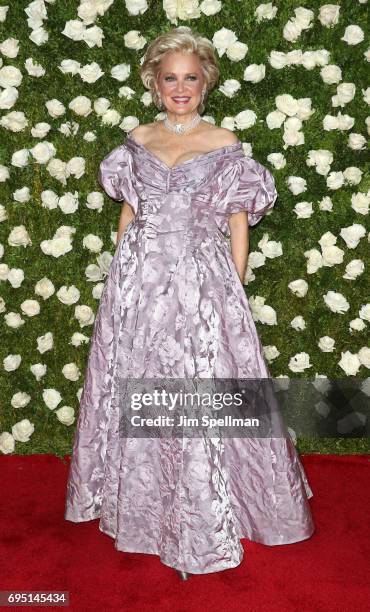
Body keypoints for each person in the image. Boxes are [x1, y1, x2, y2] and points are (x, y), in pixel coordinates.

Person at [64, 25, 314, 580]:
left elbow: (237, 222)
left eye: (191, 78)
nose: (181, 87)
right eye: (171, 77)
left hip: (202, 279)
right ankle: (137, 506)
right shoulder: (136, 139)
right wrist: (120, 277)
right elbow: (128, 213)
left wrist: (234, 284)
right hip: (138, 279)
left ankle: (216, 506)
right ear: (155, 82)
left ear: (206, 84)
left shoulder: (224, 144)